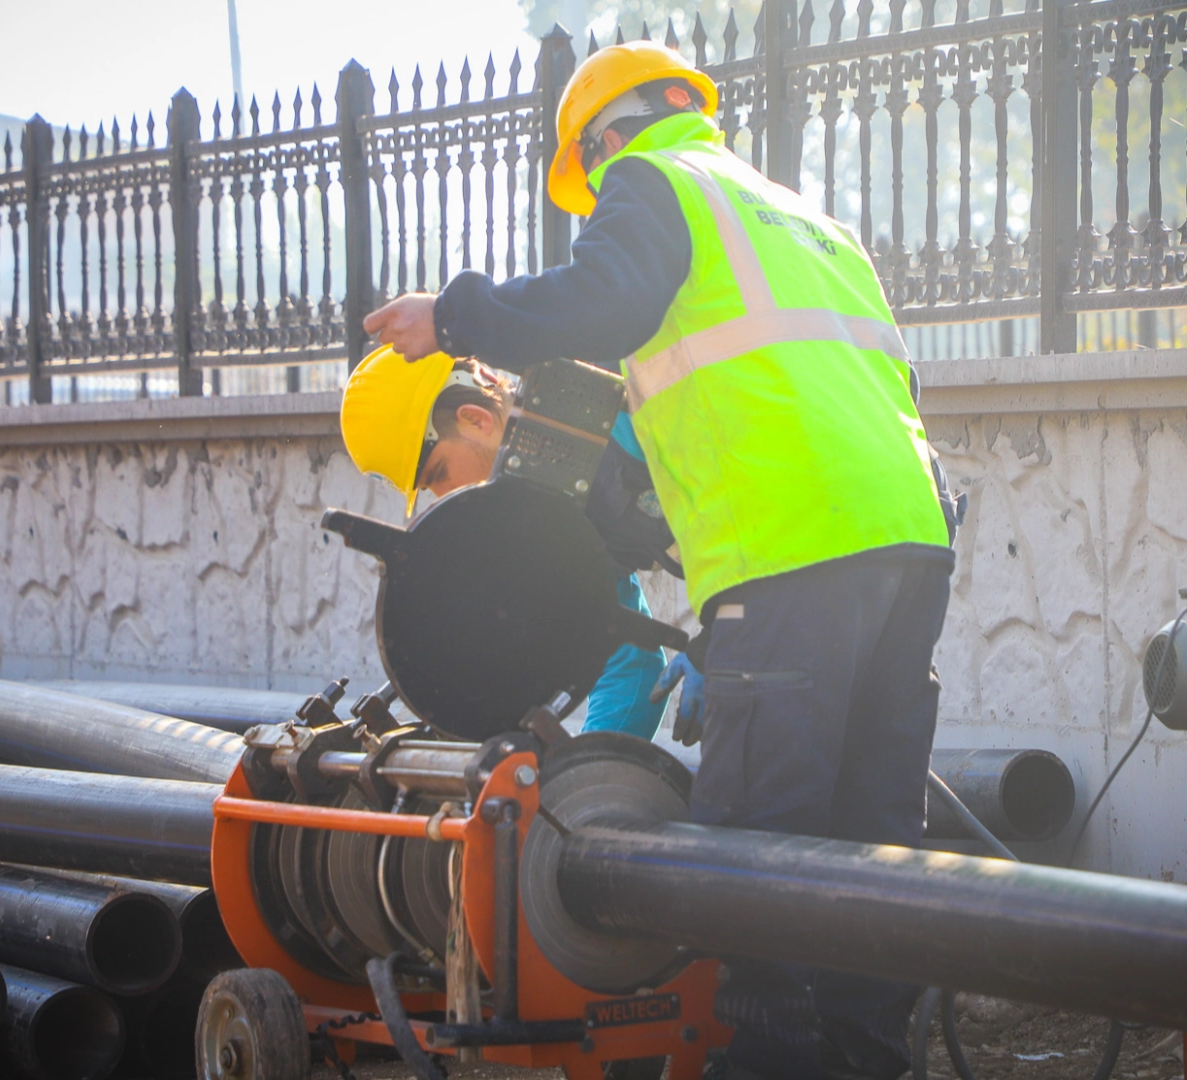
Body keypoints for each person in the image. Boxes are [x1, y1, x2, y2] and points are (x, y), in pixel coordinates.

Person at [361, 37, 954, 1080]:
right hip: (905, 539)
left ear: (604, 140)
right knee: (869, 846)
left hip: (790, 549)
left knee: (750, 858)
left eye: (587, 178)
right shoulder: (801, 218)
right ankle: (869, 1064)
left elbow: (603, 302)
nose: (593, 199)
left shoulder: (653, 179)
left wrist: (455, 315)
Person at [339, 345, 698, 742]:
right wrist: (582, 782)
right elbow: (630, 665)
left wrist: (732, 623)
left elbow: (757, 494)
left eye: (438, 474)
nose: (443, 496)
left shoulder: (621, 409)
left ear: (475, 421)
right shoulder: (546, 514)